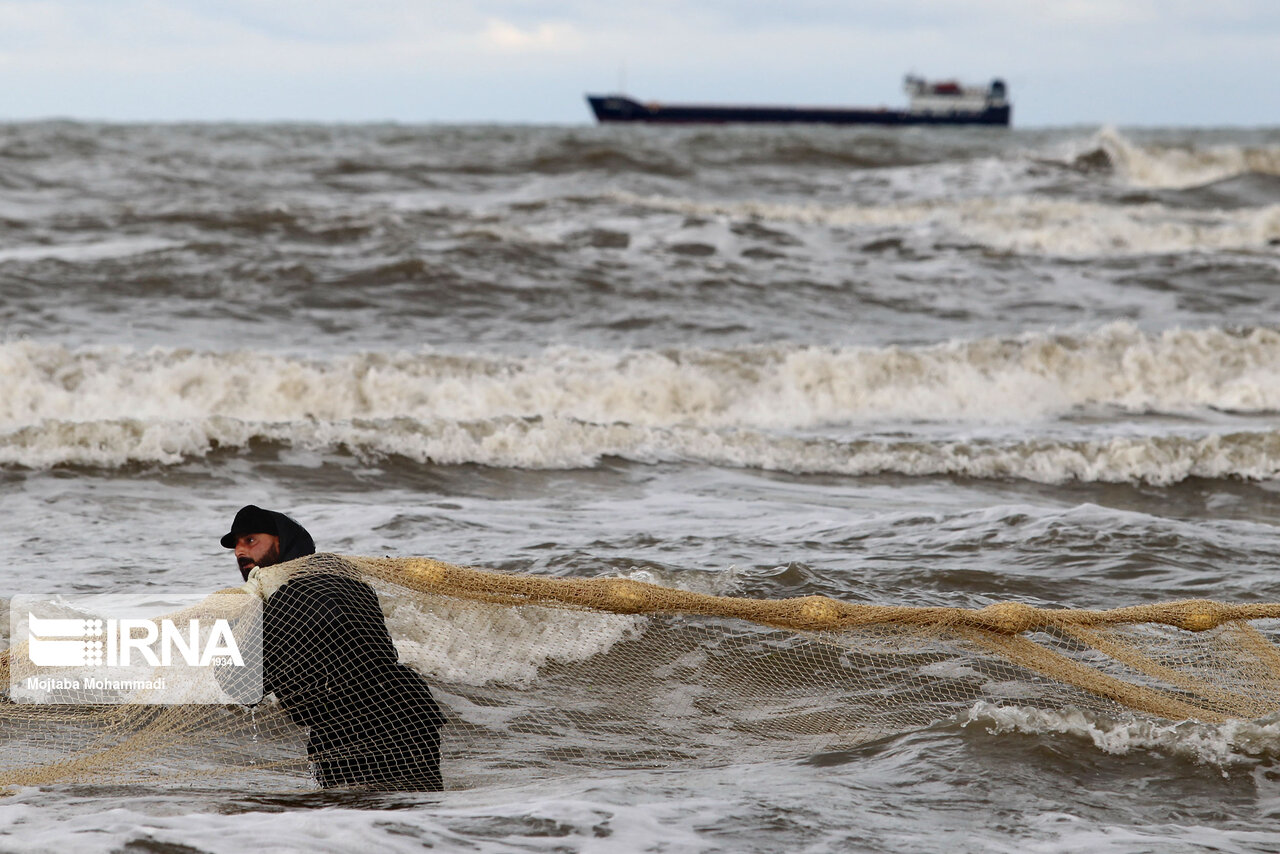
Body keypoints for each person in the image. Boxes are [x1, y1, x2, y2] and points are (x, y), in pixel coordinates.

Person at [220, 504, 445, 791]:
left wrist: (238, 624)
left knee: (362, 823)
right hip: (405, 714)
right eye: (236, 547)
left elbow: (244, 686)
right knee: (405, 820)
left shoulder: (293, 596)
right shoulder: (342, 578)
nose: (240, 552)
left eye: (250, 541)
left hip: (364, 733)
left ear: (283, 541)